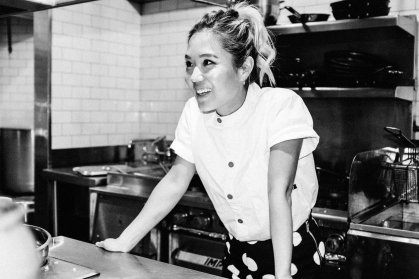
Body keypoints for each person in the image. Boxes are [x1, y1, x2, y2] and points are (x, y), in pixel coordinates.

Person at [96, 2, 324, 279]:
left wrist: (282, 276)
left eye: (208, 63)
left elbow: (280, 192)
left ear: (243, 69)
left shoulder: (280, 107)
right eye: (189, 63)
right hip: (236, 249)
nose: (194, 75)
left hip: (291, 251)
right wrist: (124, 242)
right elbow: (176, 179)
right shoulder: (194, 113)